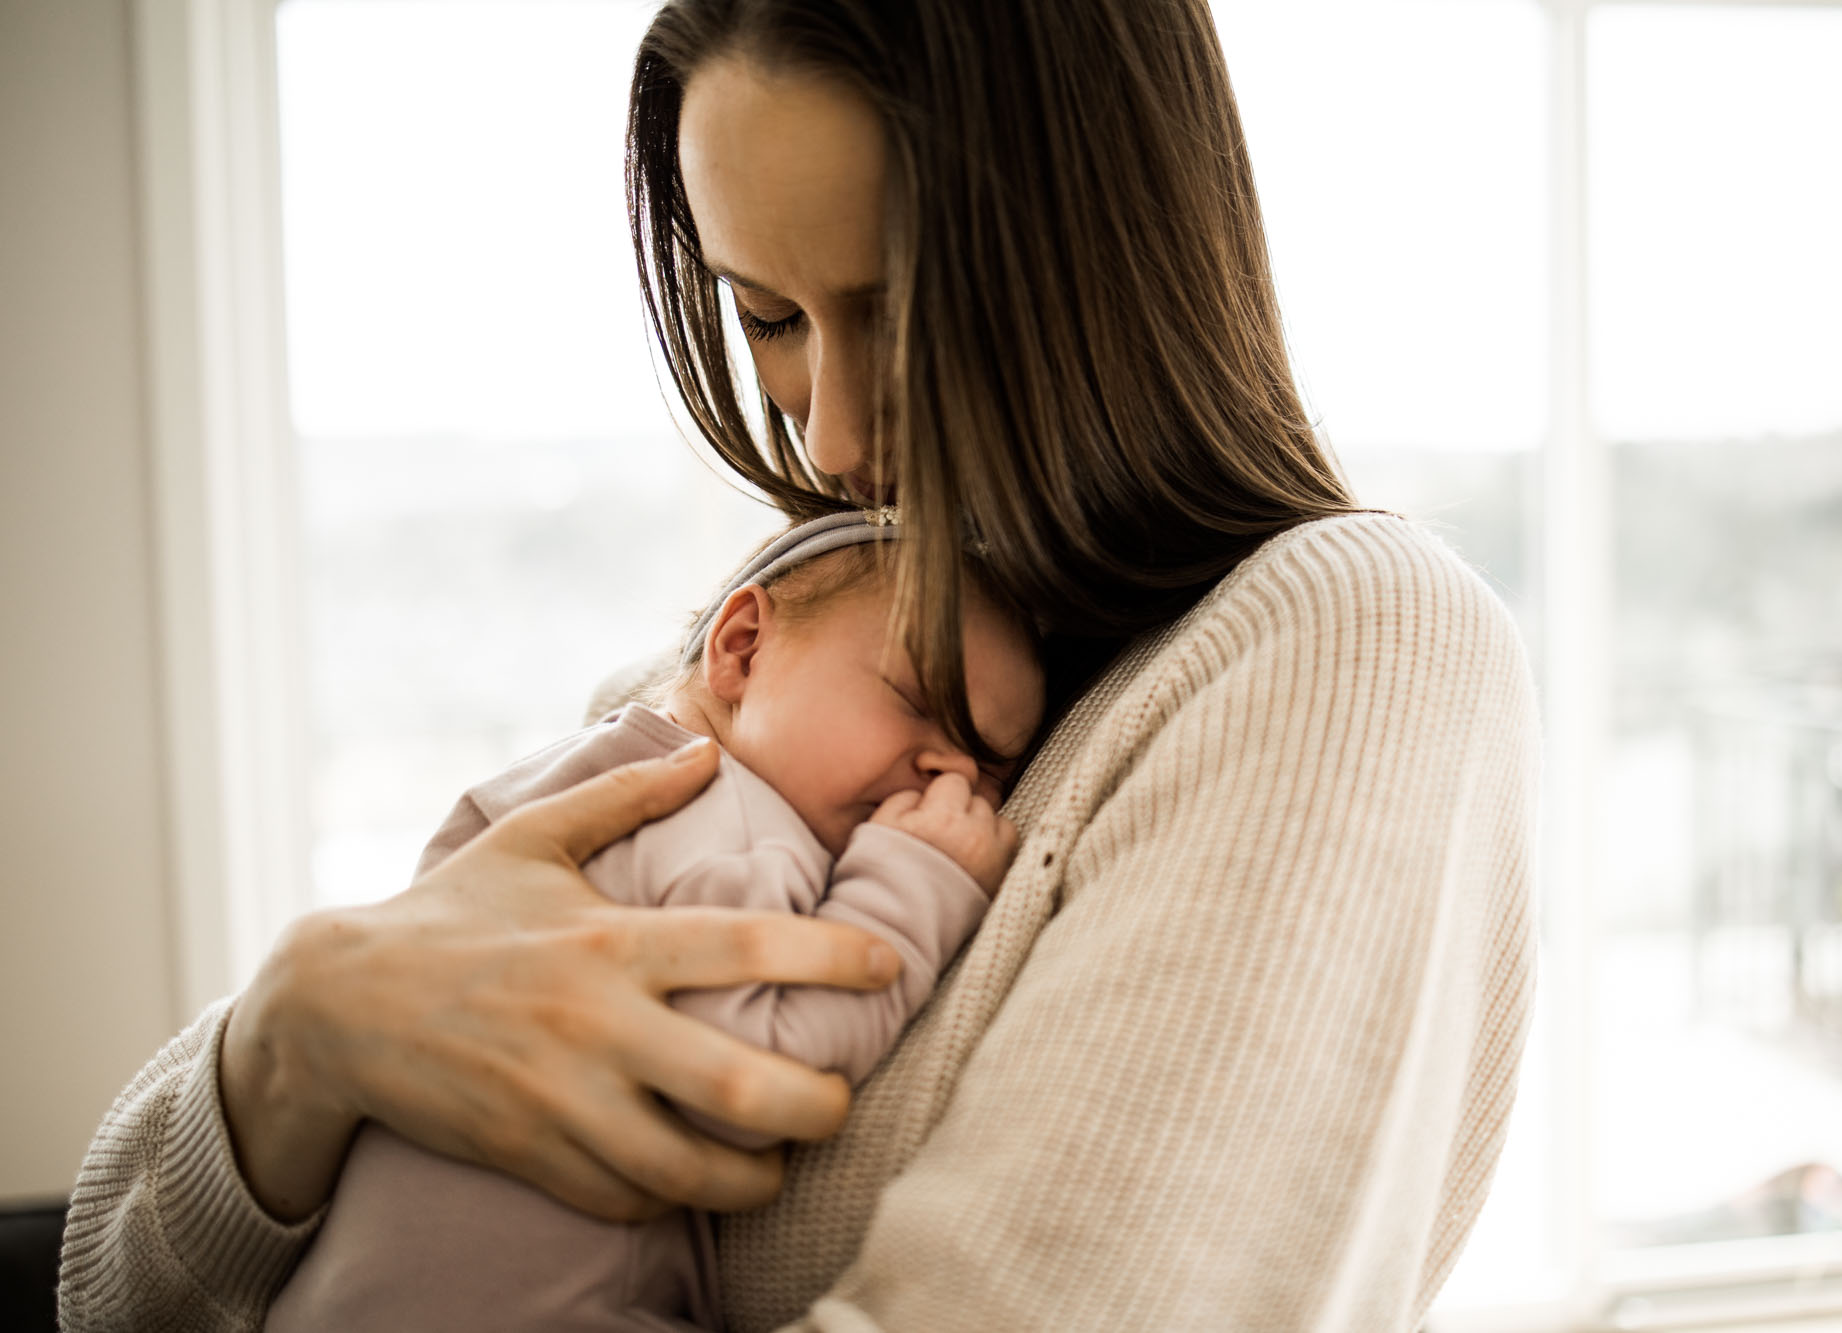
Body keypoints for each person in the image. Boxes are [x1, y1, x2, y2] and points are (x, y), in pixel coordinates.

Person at [59, 0, 1541, 1329]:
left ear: (1102, 276)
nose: (826, 440)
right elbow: (109, 1291)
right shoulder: (747, 668)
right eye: (766, 315)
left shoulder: (1342, 644)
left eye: (899, 316)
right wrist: (301, 1037)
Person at [264, 515, 1045, 1332]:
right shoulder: (723, 816)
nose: (947, 771)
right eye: (918, 700)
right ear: (741, 648)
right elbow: (747, 1078)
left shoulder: (569, 782)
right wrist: (916, 887)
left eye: (991, 766)